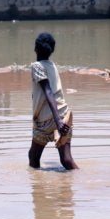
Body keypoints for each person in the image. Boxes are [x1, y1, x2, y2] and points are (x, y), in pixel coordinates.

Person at [28, 32, 79, 170]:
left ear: (35, 48)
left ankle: (37, 189)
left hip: (46, 120)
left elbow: (48, 92)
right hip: (64, 115)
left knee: (33, 157)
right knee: (66, 160)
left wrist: (57, 121)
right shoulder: (52, 66)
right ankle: (81, 179)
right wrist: (60, 121)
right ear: (52, 50)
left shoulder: (36, 66)